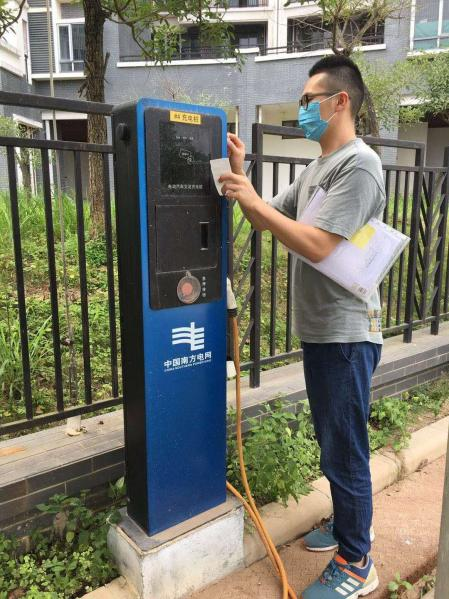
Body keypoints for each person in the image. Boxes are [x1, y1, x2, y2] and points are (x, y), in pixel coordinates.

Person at [219, 54, 386, 598]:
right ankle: (348, 525)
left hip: (346, 333)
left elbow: (317, 245)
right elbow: (263, 217)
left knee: (345, 448)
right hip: (322, 330)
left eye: (310, 98)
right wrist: (241, 177)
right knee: (334, 441)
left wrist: (251, 198)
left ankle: (358, 562)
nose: (303, 108)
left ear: (341, 101)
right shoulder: (317, 168)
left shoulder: (359, 165)